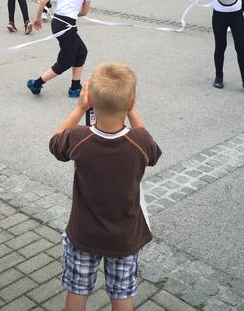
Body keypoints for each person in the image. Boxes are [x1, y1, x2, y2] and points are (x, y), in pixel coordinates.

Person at [49, 62, 161, 311]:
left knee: (77, 290)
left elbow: (55, 142)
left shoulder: (79, 138)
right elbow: (152, 151)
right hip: (124, 237)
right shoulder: (140, 142)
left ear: (91, 101)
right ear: (131, 103)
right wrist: (131, 112)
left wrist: (79, 109)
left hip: (84, 233)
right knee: (122, 294)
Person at [28, 0, 94, 97]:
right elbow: (84, 13)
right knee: (65, 61)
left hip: (57, 22)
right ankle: (36, 83)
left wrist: (37, 19)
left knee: (81, 52)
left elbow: (43, 1)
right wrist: (79, 9)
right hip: (67, 26)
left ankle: (75, 87)